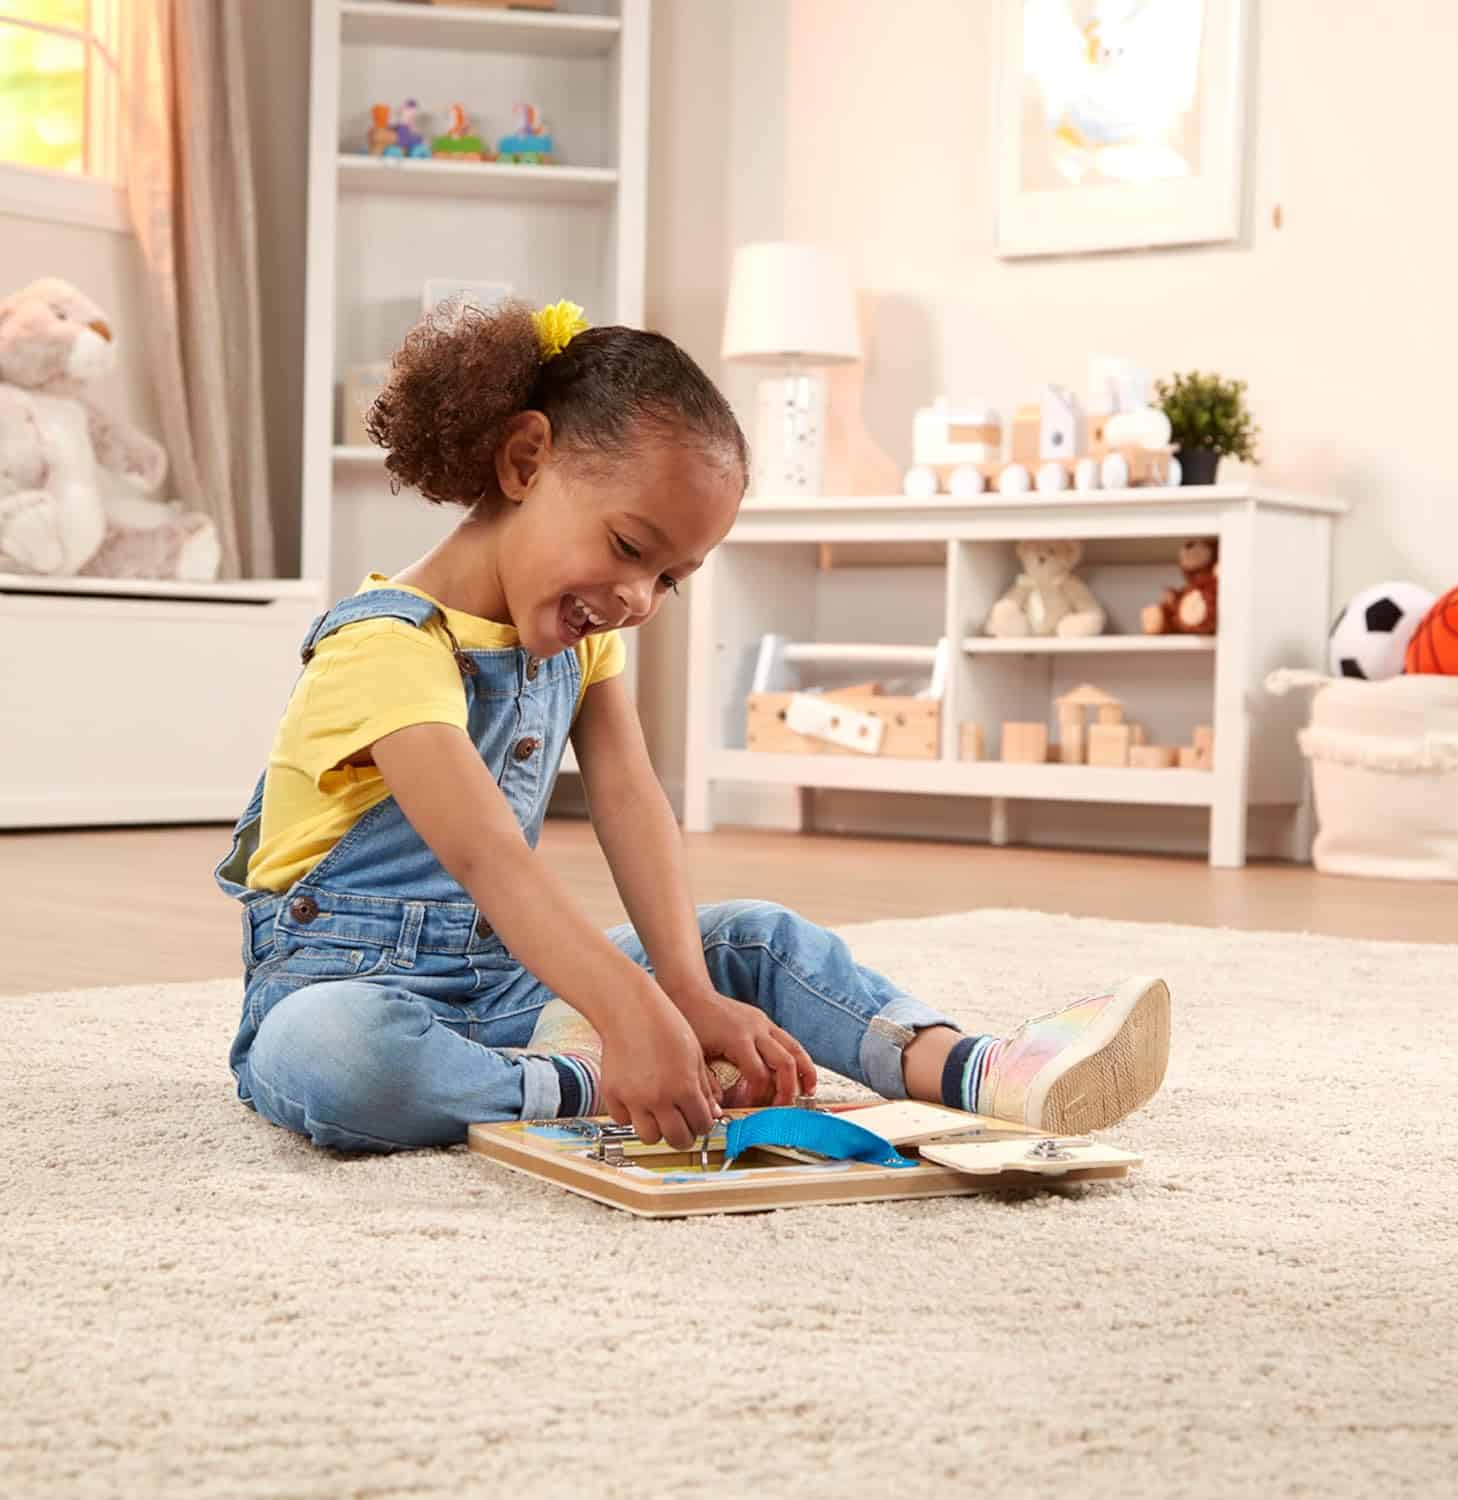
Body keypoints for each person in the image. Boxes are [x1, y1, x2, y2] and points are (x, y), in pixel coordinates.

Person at [214, 298, 1171, 1154]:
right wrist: (632, 1015)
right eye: (630, 547)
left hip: (510, 988)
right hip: (346, 989)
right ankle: (594, 1080)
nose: (638, 598)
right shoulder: (383, 647)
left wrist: (682, 990)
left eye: (669, 579)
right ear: (524, 462)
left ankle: (976, 1069)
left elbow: (632, 802)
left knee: (752, 938)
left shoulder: (582, 643)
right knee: (340, 1058)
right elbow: (488, 857)